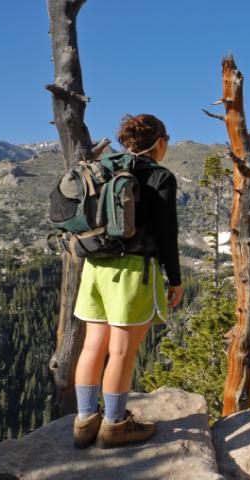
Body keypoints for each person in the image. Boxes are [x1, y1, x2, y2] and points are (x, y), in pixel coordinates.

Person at [71, 114, 184, 449]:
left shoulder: (103, 167)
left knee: (93, 345)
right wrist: (174, 279)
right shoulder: (160, 176)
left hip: (94, 267)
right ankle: (115, 424)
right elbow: (167, 233)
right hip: (134, 271)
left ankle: (84, 420)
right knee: (121, 350)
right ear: (159, 142)